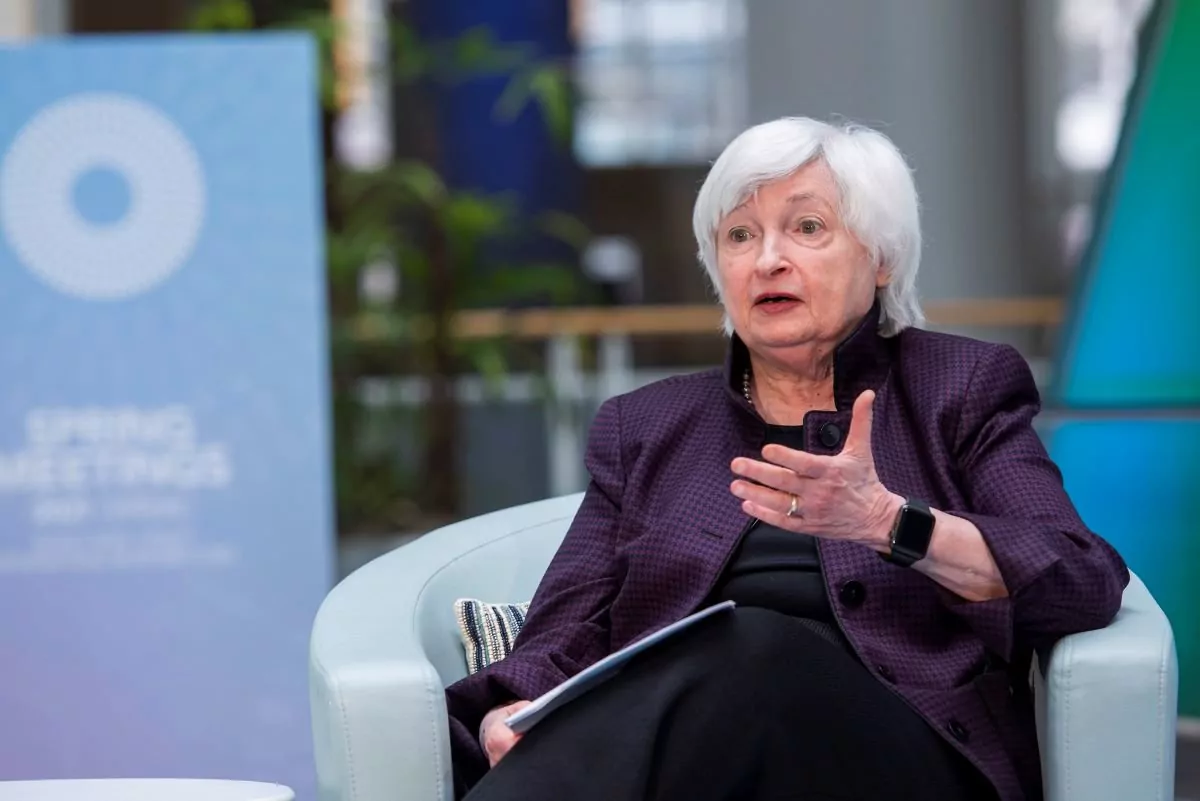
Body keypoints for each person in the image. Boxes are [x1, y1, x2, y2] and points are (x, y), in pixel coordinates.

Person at [444, 117, 1128, 801]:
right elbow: (571, 616)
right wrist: (516, 703)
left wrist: (890, 522)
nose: (767, 259)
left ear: (881, 256)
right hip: (694, 757)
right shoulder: (647, 425)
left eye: (806, 228)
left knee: (749, 648)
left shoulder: (958, 387)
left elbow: (1078, 575)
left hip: (905, 752)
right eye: (740, 236)